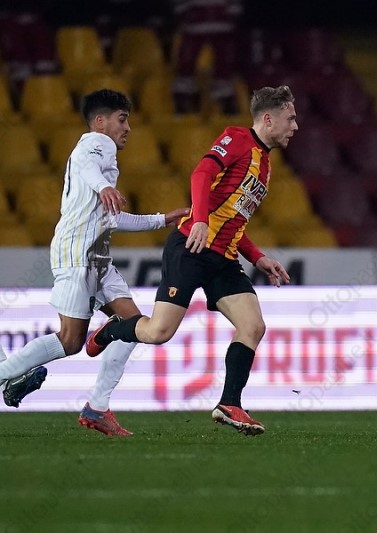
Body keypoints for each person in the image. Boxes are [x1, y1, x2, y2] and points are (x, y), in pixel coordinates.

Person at [87, 85, 297, 436]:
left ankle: (229, 404)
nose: (295, 126)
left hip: (224, 258)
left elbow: (233, 218)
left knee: (253, 326)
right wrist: (199, 219)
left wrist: (258, 257)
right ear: (268, 119)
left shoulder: (264, 163)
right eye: (290, 118)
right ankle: (113, 329)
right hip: (191, 247)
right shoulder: (237, 139)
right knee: (158, 332)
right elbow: (201, 173)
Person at [0, 89, 188, 436]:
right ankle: (5, 377)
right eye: (122, 119)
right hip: (77, 253)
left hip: (97, 257)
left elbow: (112, 218)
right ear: (100, 121)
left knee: (133, 325)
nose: (128, 128)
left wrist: (162, 219)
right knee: (70, 341)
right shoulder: (96, 144)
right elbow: (88, 168)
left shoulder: (101, 157)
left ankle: (97, 407)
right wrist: (103, 186)